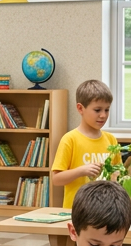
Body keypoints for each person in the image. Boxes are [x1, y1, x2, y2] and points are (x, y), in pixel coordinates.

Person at [51, 79, 118, 208]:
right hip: (77, 211)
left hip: (105, 210)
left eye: (107, 110)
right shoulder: (70, 139)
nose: (103, 115)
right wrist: (81, 171)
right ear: (80, 108)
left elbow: (118, 174)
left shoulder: (111, 140)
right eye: (97, 110)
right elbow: (56, 179)